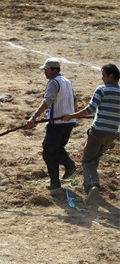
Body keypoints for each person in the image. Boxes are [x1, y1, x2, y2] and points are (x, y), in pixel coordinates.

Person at [62, 63, 120, 205]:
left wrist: (72, 115)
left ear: (111, 76)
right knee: (95, 158)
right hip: (112, 132)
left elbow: (90, 109)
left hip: (98, 130)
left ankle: (93, 185)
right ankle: (89, 186)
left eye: (103, 75)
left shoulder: (102, 90)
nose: (102, 78)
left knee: (87, 160)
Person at [27, 58, 78, 193]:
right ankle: (57, 180)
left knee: (48, 151)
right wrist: (75, 116)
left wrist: (34, 117)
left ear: (54, 70)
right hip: (69, 122)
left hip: (57, 123)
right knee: (56, 149)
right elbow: (74, 100)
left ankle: (66, 167)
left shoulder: (53, 82)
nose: (45, 72)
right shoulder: (67, 81)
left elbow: (47, 102)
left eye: (47, 69)